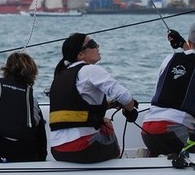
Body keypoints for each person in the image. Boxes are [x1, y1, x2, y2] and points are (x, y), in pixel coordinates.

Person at [48, 33, 140, 163]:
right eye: (92, 44)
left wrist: (108, 105)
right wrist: (131, 111)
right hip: (83, 148)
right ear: (80, 55)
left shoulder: (60, 76)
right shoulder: (90, 70)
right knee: (106, 124)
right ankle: (114, 170)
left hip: (58, 150)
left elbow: (75, 106)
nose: (97, 46)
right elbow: (125, 97)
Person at [141, 22, 195, 157]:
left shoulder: (169, 58)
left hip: (147, 130)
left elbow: (189, 64)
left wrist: (184, 46)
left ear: (189, 41)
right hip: (174, 130)